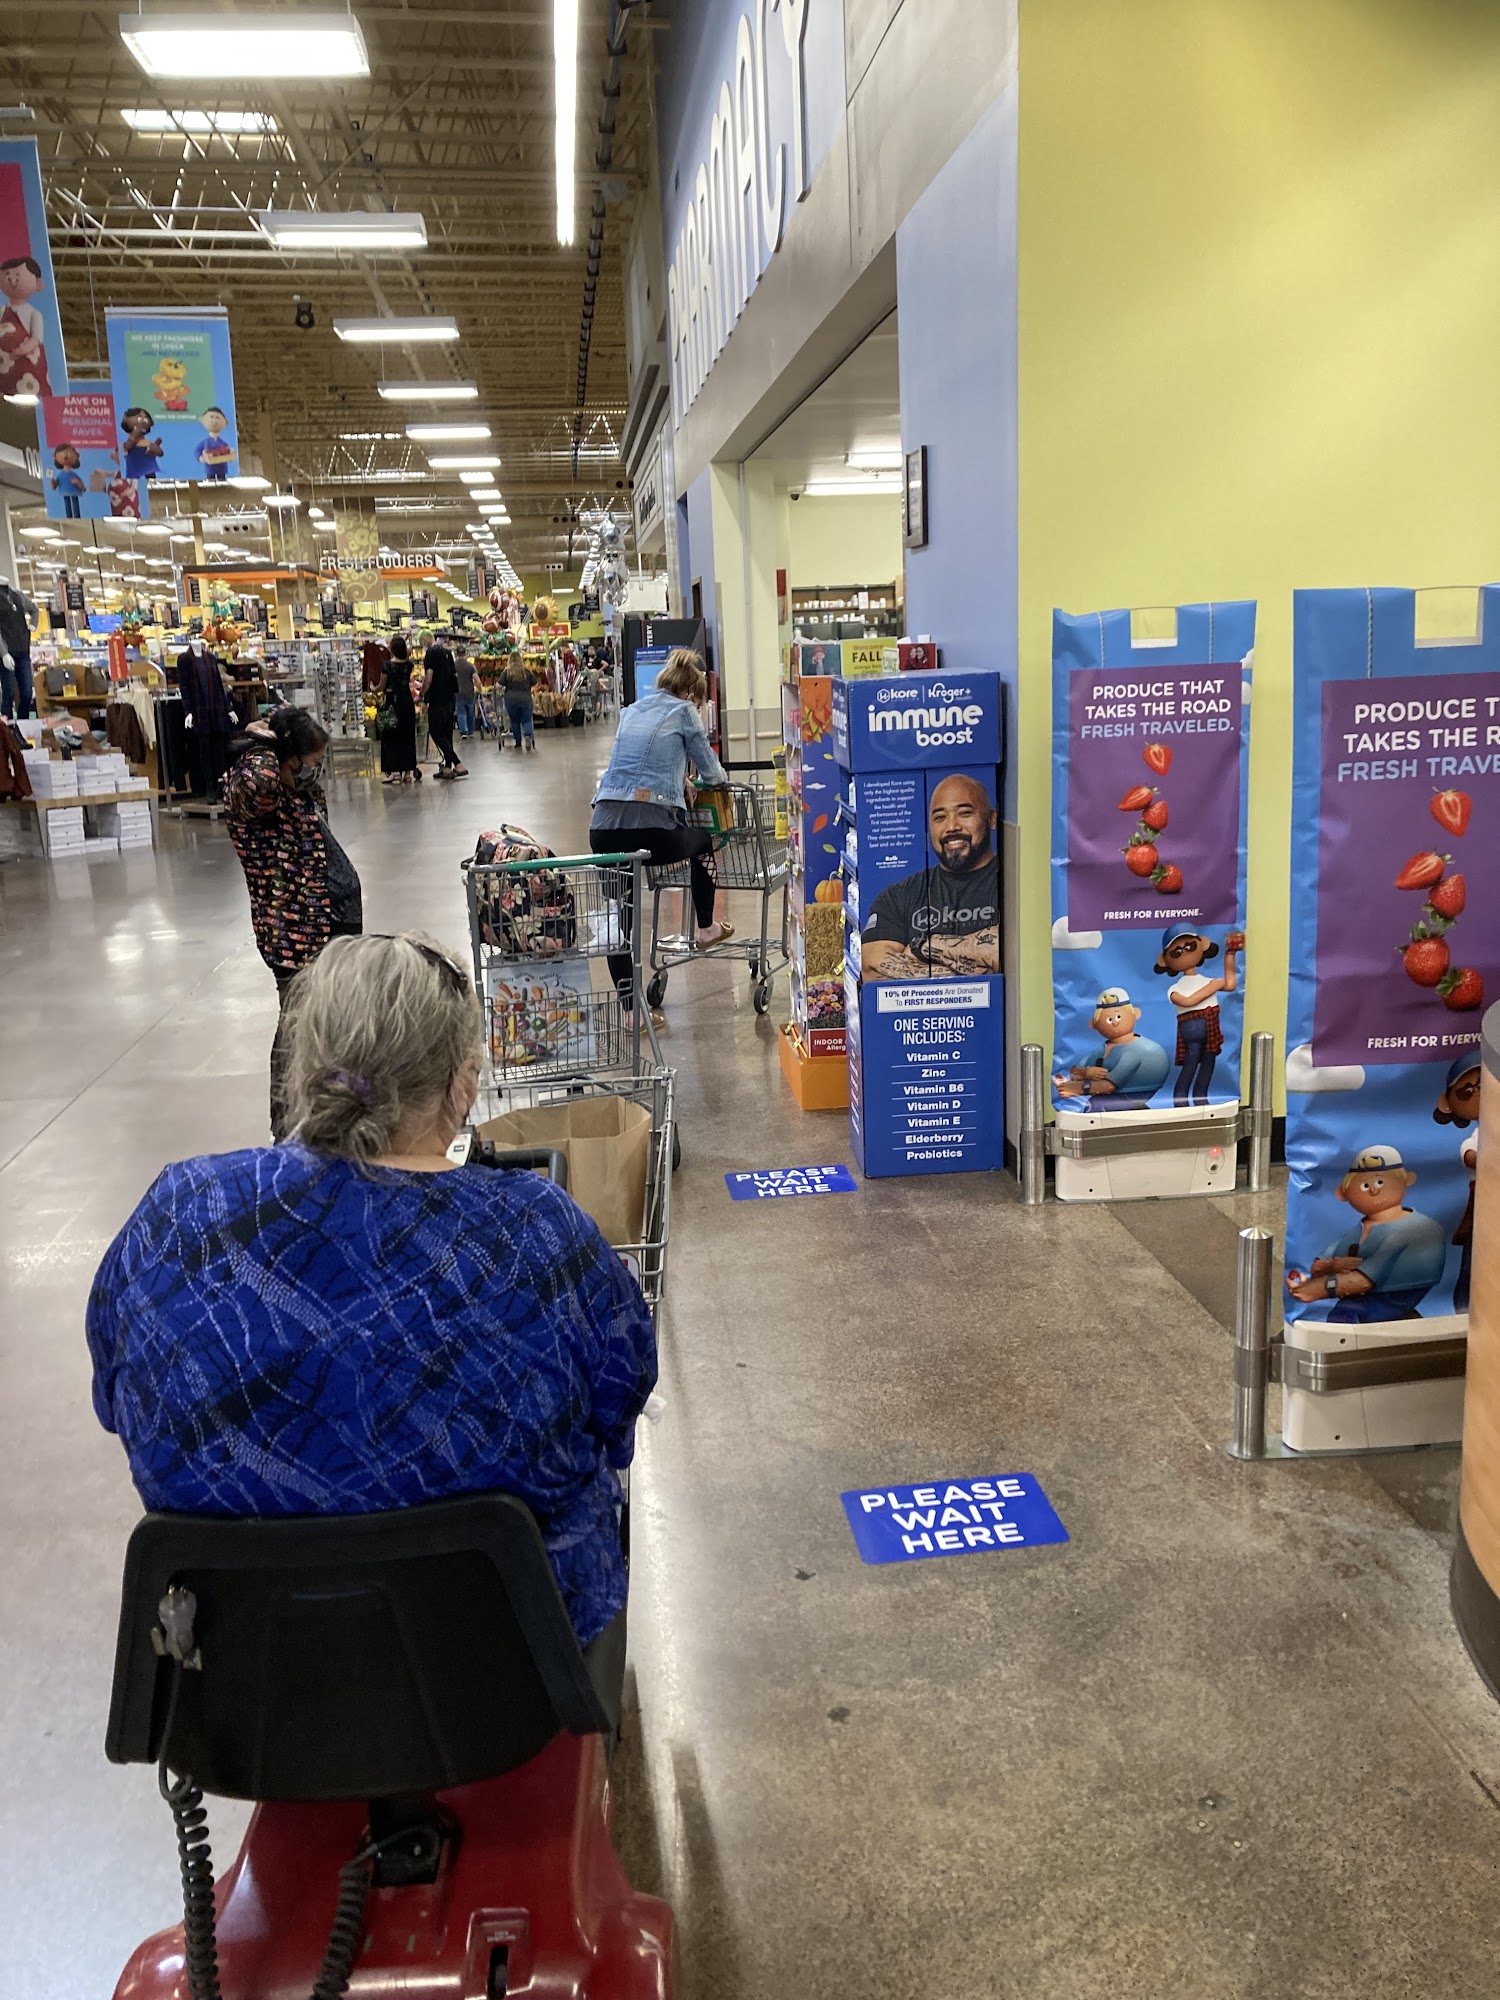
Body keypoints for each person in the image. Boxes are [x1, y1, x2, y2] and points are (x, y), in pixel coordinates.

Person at [84, 932, 655, 1649]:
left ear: (304, 1066)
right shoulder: (542, 1236)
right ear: (463, 1083)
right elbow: (619, 1404)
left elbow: (114, 1402)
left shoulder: (176, 1219)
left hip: (241, 1671)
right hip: (511, 1666)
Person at [223, 707, 363, 1138]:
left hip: (323, 929)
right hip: (294, 934)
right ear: (285, 755)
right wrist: (266, 743)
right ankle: (286, 1128)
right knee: (296, 1028)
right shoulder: (254, 792)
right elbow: (260, 779)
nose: (312, 772)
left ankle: (325, 1117)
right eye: (308, 762)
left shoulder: (290, 789)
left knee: (324, 1026)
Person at [589, 647, 733, 1004]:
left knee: (620, 919)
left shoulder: (631, 711)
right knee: (702, 841)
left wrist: (678, 778)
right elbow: (714, 773)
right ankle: (706, 928)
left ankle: (629, 1009)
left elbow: (635, 764)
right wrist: (701, 780)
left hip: (603, 827)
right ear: (690, 694)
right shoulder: (684, 711)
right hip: (651, 831)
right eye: (699, 702)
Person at [1285, 1143, 1448, 1323]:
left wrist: (1315, 1289)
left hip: (1393, 1298)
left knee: (1344, 1315)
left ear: (1407, 1180)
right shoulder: (1360, 1229)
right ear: (1343, 1193)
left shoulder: (1416, 1228)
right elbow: (1318, 1266)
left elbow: (1362, 1281)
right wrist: (1332, 1265)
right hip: (1362, 1295)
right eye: (1364, 1185)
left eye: (1380, 1182)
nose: (1374, 1190)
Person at [859, 774, 1000, 980]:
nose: (952, 826)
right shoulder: (897, 896)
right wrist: (973, 967)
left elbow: (1011, 952)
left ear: (992, 819)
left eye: (965, 813)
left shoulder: (1013, 885)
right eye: (940, 817)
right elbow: (872, 969)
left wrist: (922, 946)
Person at [1155, 924, 1244, 1106]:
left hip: (1211, 1027)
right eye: (1176, 952)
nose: (1184, 952)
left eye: (1190, 947)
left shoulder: (1207, 980)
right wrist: (1213, 986)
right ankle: (1180, 1099)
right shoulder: (1175, 988)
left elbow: (1230, 984)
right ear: (1164, 960)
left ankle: (1201, 1098)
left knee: (1208, 1063)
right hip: (1192, 1029)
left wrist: (1230, 954)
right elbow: (1188, 1001)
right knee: (1191, 1062)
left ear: (1202, 945)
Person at [1054, 987, 1171, 1110]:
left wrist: (1078, 1088)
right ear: (1094, 1024)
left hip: (1131, 1096)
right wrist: (1086, 1072)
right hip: (1111, 1095)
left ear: (1136, 1014)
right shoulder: (1103, 1049)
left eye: (1118, 1017)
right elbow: (1075, 1071)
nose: (1115, 1022)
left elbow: (1109, 1086)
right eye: (1109, 1019)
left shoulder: (1137, 1051)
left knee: (1096, 1104)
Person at [1434, 1055, 1481, 1313]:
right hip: (1482, 1210)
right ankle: (1465, 1308)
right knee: (1473, 1259)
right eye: (1468, 1090)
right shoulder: (1477, 1137)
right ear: (1447, 1103)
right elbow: (1471, 1156)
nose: (1480, 1093)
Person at [422, 629, 466, 779]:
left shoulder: (430, 653)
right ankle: (447, 768)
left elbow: (429, 678)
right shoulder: (447, 653)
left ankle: (458, 764)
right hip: (450, 699)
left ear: (425, 639)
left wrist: (422, 695)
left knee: (436, 733)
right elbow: (453, 675)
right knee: (447, 734)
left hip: (437, 699)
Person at [377, 632, 420, 785]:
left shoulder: (387, 665)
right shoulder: (409, 665)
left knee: (390, 735)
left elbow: (381, 686)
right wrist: (407, 639)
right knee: (407, 736)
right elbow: (407, 653)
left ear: (391, 649)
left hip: (391, 703)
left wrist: (373, 688)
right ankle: (407, 772)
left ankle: (394, 772)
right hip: (406, 702)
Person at [499, 651, 537, 751]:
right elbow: (535, 682)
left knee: (514, 721)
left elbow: (499, 685)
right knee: (526, 720)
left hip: (511, 700)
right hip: (525, 699)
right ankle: (528, 736)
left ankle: (518, 741)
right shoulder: (526, 671)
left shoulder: (507, 672)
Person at [455, 642, 478, 739]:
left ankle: (463, 732)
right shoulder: (470, 665)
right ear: (465, 653)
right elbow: (476, 679)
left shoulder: (453, 665)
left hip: (458, 692)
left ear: (456, 654)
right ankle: (471, 731)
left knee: (461, 713)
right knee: (470, 713)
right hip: (469, 692)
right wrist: (480, 689)